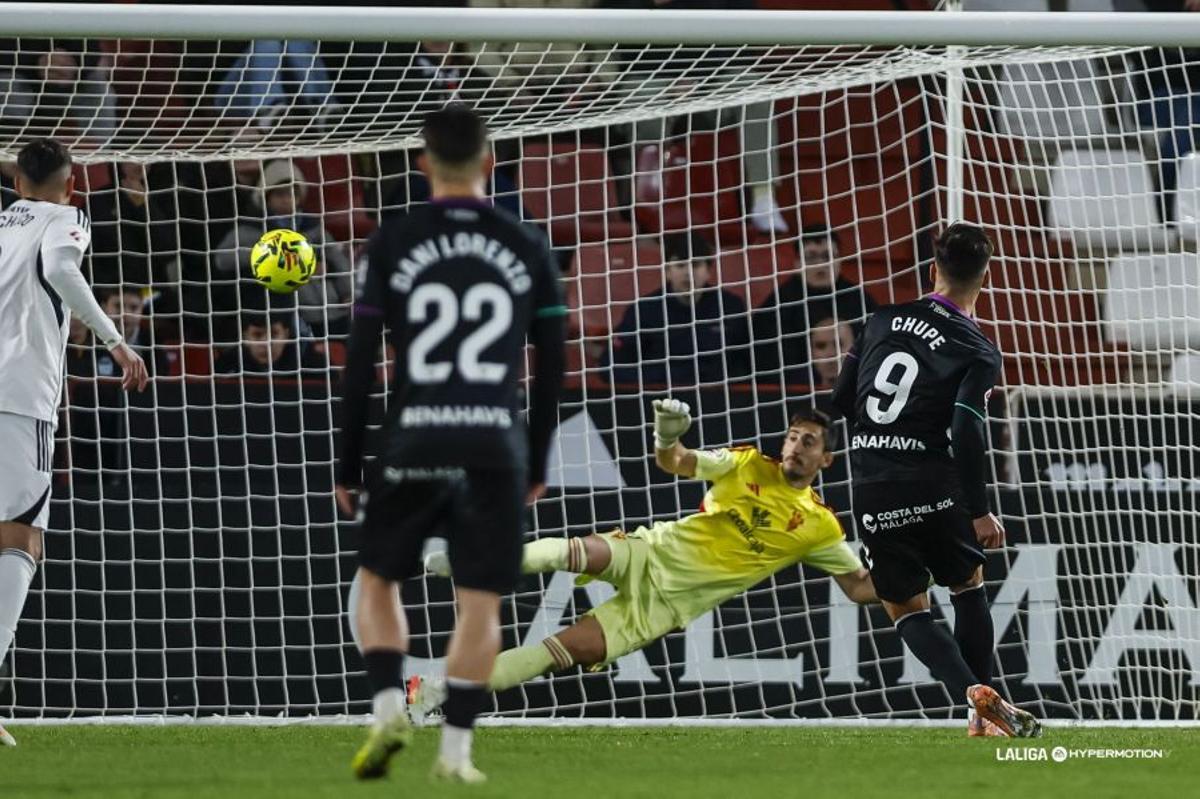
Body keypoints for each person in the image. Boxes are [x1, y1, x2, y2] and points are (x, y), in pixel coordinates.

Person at [336, 105, 566, 784]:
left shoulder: (395, 240)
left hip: (414, 439)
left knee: (379, 578)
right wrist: (536, 457)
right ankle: (456, 756)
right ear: (491, 161)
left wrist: (347, 460)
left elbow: (358, 360)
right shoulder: (527, 243)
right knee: (480, 602)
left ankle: (385, 706)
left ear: (422, 162)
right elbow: (552, 363)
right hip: (493, 445)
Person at [412, 404, 875, 710]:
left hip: (663, 608)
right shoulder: (747, 463)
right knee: (574, 552)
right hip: (651, 551)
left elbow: (857, 588)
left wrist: (928, 572)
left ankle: (438, 690)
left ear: (826, 461)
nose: (795, 447)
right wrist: (666, 435)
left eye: (809, 442)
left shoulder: (819, 527)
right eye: (792, 437)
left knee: (558, 652)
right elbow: (676, 462)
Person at [830, 222, 1040, 739]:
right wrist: (979, 509)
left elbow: (839, 401)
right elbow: (967, 428)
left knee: (903, 605)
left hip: (875, 481)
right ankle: (982, 714)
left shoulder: (879, 320)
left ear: (933, 269)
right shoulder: (979, 350)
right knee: (967, 585)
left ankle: (968, 692)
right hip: (935, 481)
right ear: (985, 278)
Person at [0, 139, 148, 747]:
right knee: (21, 535)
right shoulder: (67, 218)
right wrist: (115, 340)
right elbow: (61, 268)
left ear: (16, 178)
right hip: (18, 395)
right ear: (69, 183)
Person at [605, 231, 749, 386]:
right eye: (680, 265)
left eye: (696, 265)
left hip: (718, 398)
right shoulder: (644, 311)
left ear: (708, 271)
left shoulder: (730, 307)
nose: (688, 273)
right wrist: (665, 377)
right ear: (667, 271)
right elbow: (611, 366)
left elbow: (746, 363)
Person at [753, 223, 879, 385]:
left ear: (839, 261)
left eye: (827, 256)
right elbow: (767, 363)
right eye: (811, 257)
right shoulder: (778, 305)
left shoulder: (860, 300)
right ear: (797, 263)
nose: (821, 264)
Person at [213, 312, 324, 375]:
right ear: (245, 337)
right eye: (257, 335)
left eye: (274, 334)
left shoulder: (314, 364)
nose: (266, 343)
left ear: (286, 335)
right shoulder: (227, 366)